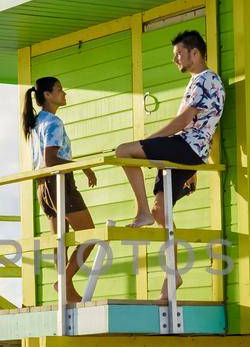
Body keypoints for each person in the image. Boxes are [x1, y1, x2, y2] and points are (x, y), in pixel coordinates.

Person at [113, 29, 225, 299]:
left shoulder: (203, 80)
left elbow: (182, 123)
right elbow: (210, 125)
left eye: (178, 55)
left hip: (184, 147)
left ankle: (141, 212)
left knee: (123, 151)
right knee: (162, 212)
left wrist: (147, 140)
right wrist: (197, 167)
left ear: (194, 53)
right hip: (190, 153)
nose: (175, 60)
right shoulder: (208, 81)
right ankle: (171, 279)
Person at [23, 76, 98, 303]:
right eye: (59, 89)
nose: (64, 93)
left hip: (42, 185)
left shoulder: (36, 123)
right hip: (59, 181)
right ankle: (64, 281)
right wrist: (83, 167)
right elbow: (52, 159)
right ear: (47, 95)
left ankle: (64, 288)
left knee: (60, 239)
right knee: (91, 235)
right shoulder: (54, 122)